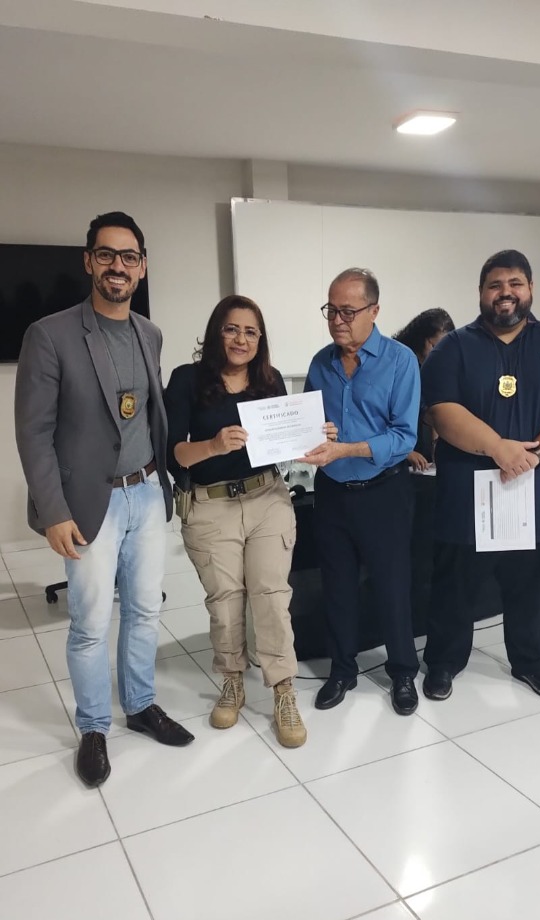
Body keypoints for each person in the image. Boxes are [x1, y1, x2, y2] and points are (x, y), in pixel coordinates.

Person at [14, 211, 194, 788]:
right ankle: (93, 727)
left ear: (142, 268)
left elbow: (147, 417)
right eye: (108, 254)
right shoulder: (50, 335)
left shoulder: (149, 333)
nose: (119, 265)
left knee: (144, 611)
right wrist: (53, 511)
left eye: (130, 256)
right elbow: (34, 433)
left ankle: (139, 705)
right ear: (89, 261)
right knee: (90, 623)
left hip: (146, 491)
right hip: (90, 502)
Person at [421, 249, 540, 703]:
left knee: (533, 587)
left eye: (515, 283)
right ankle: (444, 662)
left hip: (536, 492)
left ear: (530, 289)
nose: (505, 292)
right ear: (481, 293)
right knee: (454, 586)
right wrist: (498, 448)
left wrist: (536, 452)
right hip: (468, 495)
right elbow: (441, 410)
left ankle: (530, 663)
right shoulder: (454, 347)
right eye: (495, 285)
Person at [165, 294, 323, 749]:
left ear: (260, 339)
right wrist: (213, 446)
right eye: (232, 329)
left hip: (266, 499)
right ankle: (232, 680)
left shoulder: (269, 381)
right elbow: (174, 453)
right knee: (225, 602)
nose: (241, 339)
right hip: (210, 505)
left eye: (251, 331)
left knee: (272, 597)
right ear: (217, 331)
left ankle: (283, 690)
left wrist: (313, 441)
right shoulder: (187, 379)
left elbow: (284, 447)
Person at [302, 268, 421, 715]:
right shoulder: (321, 363)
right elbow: (310, 426)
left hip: (383, 492)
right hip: (332, 492)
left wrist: (346, 448)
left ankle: (403, 671)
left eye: (348, 311)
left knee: (392, 586)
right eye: (331, 310)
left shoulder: (401, 361)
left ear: (374, 311)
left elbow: (404, 436)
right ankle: (342, 670)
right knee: (337, 585)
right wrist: (311, 439)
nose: (337, 321)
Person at [394, 307, 455, 470]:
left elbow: (437, 404)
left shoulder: (438, 364)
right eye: (433, 346)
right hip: (394, 450)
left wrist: (436, 444)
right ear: (421, 338)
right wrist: (406, 452)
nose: (438, 354)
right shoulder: (398, 359)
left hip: (421, 442)